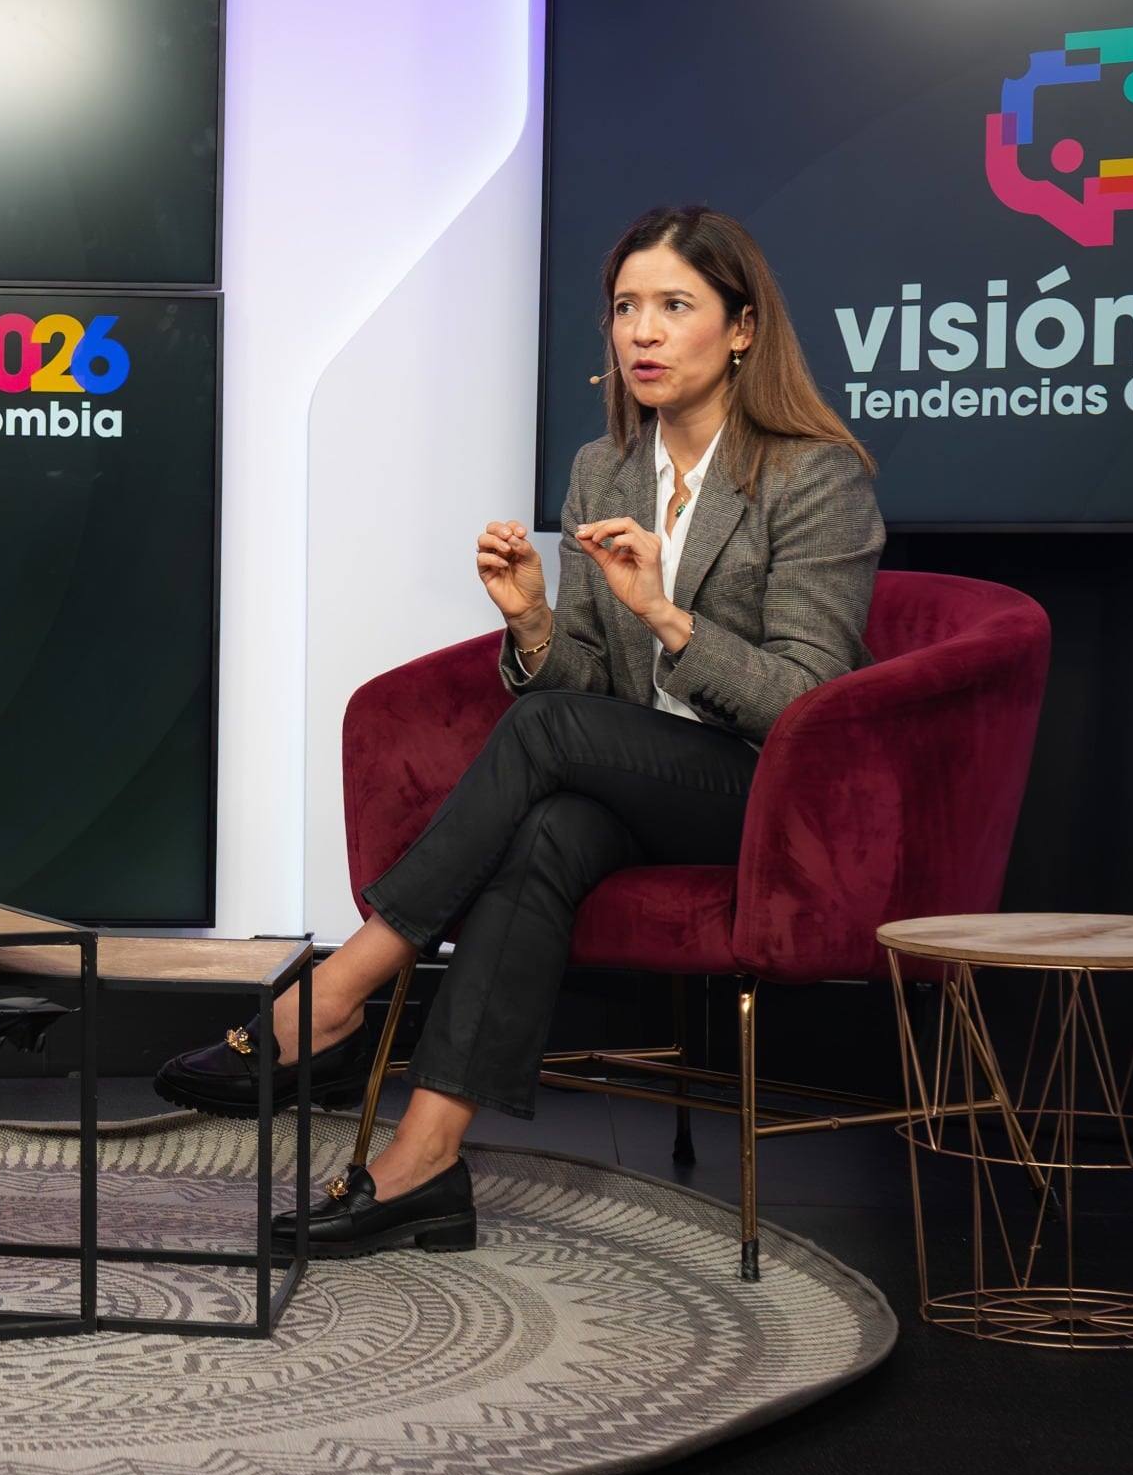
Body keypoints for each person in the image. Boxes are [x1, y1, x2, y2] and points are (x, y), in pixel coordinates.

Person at [154, 205, 883, 1258]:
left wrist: (665, 614)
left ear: (740, 329)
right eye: (625, 307)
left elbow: (810, 701)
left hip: (762, 793)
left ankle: (337, 991)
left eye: (674, 306)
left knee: (544, 736)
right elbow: (591, 690)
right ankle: (423, 1164)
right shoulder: (604, 469)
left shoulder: (813, 474)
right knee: (547, 833)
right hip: (635, 777)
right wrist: (535, 619)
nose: (641, 332)